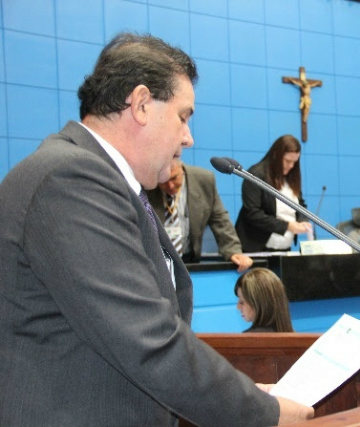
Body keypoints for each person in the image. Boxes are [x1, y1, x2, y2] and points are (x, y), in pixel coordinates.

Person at [0, 33, 312, 426]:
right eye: (183, 116)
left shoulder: (107, 181)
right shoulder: (71, 179)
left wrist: (245, 393)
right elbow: (149, 341)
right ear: (142, 104)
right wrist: (265, 414)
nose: (188, 137)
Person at [147, 158, 253, 271]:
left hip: (188, 259)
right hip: (155, 261)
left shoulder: (203, 180)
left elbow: (219, 219)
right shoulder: (147, 185)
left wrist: (233, 251)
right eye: (164, 181)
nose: (170, 186)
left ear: (181, 169)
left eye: (174, 178)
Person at [235, 134, 312, 252]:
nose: (291, 166)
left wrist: (303, 220)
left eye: (295, 162)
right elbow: (253, 213)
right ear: (276, 155)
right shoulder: (256, 174)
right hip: (256, 247)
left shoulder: (291, 177)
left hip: (284, 247)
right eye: (287, 161)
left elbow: (300, 205)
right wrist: (287, 226)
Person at [234, 268, 294, 333]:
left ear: (260, 303)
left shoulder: (247, 340)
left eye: (242, 302)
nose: (238, 307)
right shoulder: (295, 340)